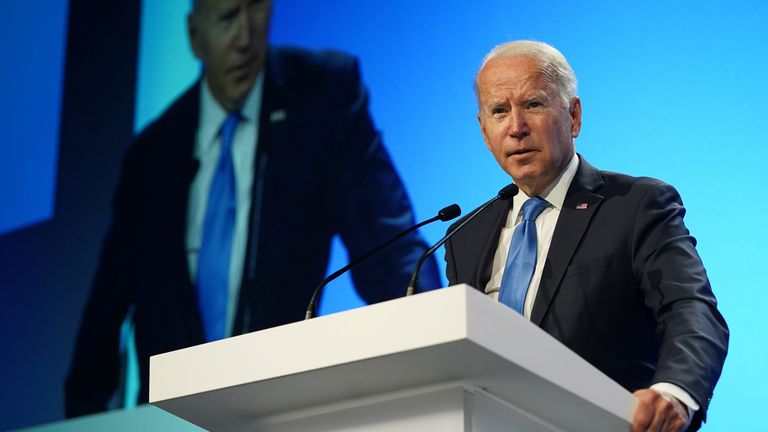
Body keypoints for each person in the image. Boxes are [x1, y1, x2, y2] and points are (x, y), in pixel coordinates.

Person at [65, 0, 440, 417]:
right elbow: (103, 320)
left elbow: (390, 249)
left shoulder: (323, 95)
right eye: (226, 18)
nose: (245, 38)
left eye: (255, 9)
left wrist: (434, 340)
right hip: (170, 418)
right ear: (195, 36)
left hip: (283, 409)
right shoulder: (152, 154)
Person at [444, 41, 728, 432]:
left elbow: (691, 310)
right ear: (484, 130)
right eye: (499, 111)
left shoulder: (635, 205)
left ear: (574, 116)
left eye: (533, 104)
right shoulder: (464, 236)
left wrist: (675, 392)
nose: (516, 127)